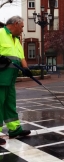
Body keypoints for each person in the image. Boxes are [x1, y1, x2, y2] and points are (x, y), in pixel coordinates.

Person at [0, 16, 32, 145]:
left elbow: (21, 56)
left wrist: (26, 68)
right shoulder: (0, 33)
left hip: (11, 79)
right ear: (16, 24)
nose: (23, 29)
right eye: (22, 26)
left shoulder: (16, 40)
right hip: (1, 77)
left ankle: (15, 129)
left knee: (10, 103)